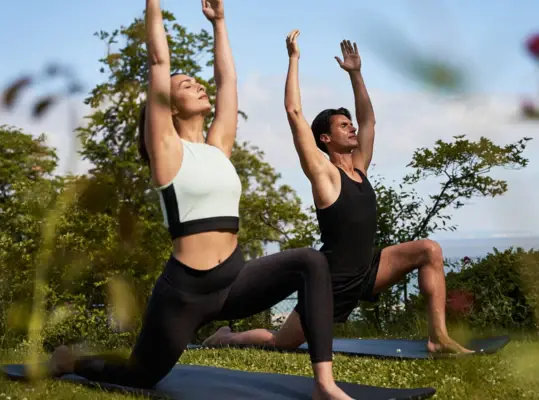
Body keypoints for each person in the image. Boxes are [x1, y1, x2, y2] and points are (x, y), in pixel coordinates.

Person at [48, 5, 353, 399]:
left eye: (196, 81)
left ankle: (324, 385)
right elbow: (159, 59)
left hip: (234, 280)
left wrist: (219, 23)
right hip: (185, 293)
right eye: (186, 85)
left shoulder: (217, 148)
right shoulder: (166, 152)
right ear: (169, 106)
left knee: (312, 261)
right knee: (139, 375)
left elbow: (228, 82)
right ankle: (70, 360)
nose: (198, 86)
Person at [204, 29, 473, 355]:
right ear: (325, 139)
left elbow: (369, 121)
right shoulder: (324, 175)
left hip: (369, 271)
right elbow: (294, 113)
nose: (353, 128)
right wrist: (293, 60)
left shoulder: (359, 167)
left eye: (350, 123)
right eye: (344, 126)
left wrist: (356, 74)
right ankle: (226, 337)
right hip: (330, 283)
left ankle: (438, 337)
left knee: (429, 249)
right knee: (281, 343)